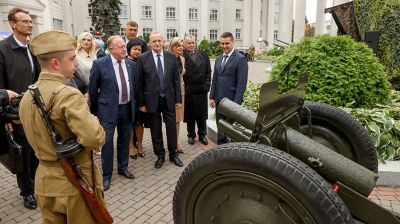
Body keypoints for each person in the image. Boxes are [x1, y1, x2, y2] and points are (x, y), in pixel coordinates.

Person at [18, 30, 106, 223]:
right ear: (56, 63)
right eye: (72, 58)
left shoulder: (27, 95)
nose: (76, 63)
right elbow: (94, 138)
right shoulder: (69, 94)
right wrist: (95, 124)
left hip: (44, 182)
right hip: (74, 182)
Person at [0, 7, 41, 209]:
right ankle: (27, 192)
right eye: (25, 21)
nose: (30, 23)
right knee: (23, 155)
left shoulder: (31, 47)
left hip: (35, 112)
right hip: (15, 115)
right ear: (13, 24)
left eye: (31, 21)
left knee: (36, 153)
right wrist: (6, 118)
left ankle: (37, 186)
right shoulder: (2, 49)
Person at [89, 35, 137, 191]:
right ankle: (106, 175)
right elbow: (93, 90)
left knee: (124, 139)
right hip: (108, 109)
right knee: (107, 142)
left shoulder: (131, 65)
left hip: (127, 108)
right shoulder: (100, 64)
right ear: (111, 49)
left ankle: (123, 168)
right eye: (121, 47)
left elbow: (134, 87)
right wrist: (96, 111)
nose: (125, 49)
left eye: (125, 46)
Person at [137, 31, 183, 169]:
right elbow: (139, 83)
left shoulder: (171, 57)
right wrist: (141, 103)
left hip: (169, 99)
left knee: (171, 128)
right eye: (154, 41)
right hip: (151, 101)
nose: (157, 43)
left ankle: (173, 154)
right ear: (149, 43)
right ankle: (160, 155)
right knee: (156, 129)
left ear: (163, 42)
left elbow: (176, 80)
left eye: (159, 41)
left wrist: (178, 99)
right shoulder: (142, 58)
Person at [210, 32, 248, 145]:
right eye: (222, 43)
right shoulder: (218, 58)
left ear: (233, 42)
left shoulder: (241, 59)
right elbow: (215, 79)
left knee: (230, 131)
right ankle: (221, 151)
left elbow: (241, 84)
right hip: (219, 101)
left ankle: (229, 154)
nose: (224, 46)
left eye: (227, 43)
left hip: (231, 102)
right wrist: (212, 97)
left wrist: (236, 105)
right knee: (220, 127)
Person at [183, 35, 211, 146]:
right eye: (189, 43)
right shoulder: (181, 56)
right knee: (190, 116)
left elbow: (208, 71)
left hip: (201, 90)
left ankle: (202, 135)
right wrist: (185, 88)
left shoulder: (204, 55)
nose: (191, 45)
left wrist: (207, 86)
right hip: (189, 90)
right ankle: (191, 135)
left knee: (202, 115)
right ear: (184, 44)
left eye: (193, 42)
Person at [126, 38, 146, 159]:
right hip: (128, 98)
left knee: (139, 123)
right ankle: (131, 146)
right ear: (129, 50)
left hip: (140, 98)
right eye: (135, 49)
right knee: (129, 123)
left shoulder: (143, 61)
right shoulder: (124, 62)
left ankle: (140, 145)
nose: (137, 51)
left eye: (139, 50)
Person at [169, 37, 186, 153]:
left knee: (178, 120)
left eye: (181, 45)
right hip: (170, 93)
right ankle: (172, 143)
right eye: (177, 46)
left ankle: (176, 142)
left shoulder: (183, 59)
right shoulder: (167, 59)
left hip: (181, 92)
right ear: (172, 47)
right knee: (171, 120)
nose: (180, 48)